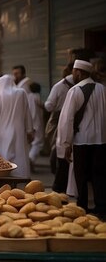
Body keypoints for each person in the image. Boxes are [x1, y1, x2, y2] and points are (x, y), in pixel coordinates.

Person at [57, 60, 106, 215]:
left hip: (82, 140)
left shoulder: (75, 90)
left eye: (73, 72)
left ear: (78, 72)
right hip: (101, 141)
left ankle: (82, 206)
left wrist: (66, 143)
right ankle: (101, 207)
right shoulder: (102, 89)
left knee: (81, 176)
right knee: (99, 175)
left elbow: (67, 119)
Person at [0, 75, 33, 178]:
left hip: (1, 131)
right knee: (19, 153)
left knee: (4, 154)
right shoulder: (21, 93)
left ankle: (6, 175)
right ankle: (21, 175)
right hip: (19, 130)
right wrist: (29, 130)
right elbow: (27, 113)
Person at [44, 63, 74, 192]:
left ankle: (59, 185)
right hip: (79, 124)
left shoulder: (59, 86)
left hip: (59, 120)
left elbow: (49, 106)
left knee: (58, 149)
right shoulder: (91, 86)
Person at [28, 82, 45, 166]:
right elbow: (42, 106)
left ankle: (31, 159)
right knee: (38, 142)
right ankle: (31, 158)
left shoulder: (29, 96)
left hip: (30, 122)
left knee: (33, 141)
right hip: (37, 121)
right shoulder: (36, 96)